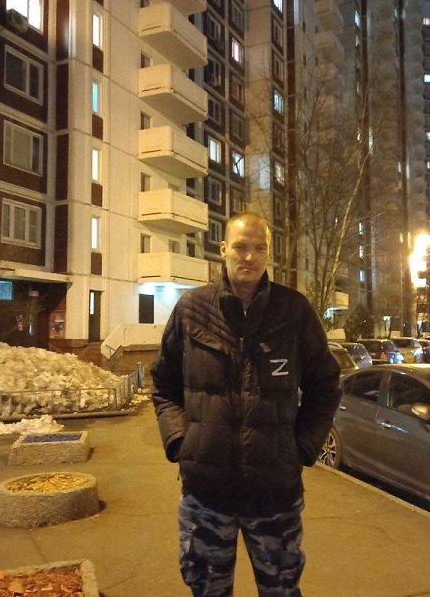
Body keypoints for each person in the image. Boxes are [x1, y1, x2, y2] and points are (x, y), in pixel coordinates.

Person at [151, 212, 342, 596]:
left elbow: (325, 385)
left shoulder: (294, 311)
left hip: (275, 495)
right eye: (240, 247)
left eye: (259, 248)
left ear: (268, 254)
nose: (249, 257)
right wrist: (180, 441)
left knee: (281, 590)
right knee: (208, 590)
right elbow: (164, 383)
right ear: (223, 249)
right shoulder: (192, 309)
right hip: (206, 494)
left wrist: (301, 448)